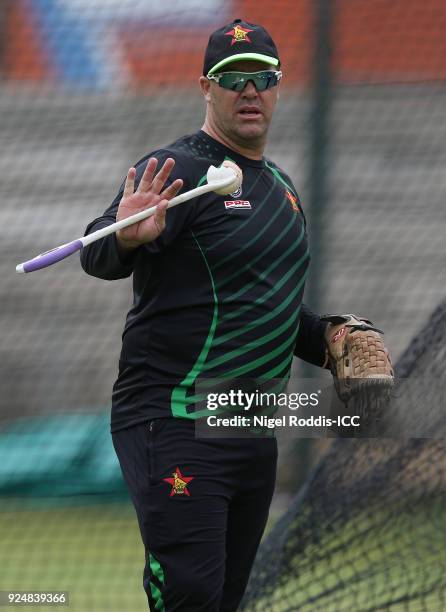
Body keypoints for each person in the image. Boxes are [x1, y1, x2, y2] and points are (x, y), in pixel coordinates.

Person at [80, 18, 328, 612]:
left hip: (247, 422)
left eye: (262, 78)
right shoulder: (179, 169)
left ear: (278, 86)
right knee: (190, 592)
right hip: (173, 416)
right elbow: (96, 250)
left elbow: (271, 312)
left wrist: (333, 338)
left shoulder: (281, 188)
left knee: (226, 598)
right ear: (205, 87)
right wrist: (130, 235)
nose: (249, 90)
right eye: (232, 78)